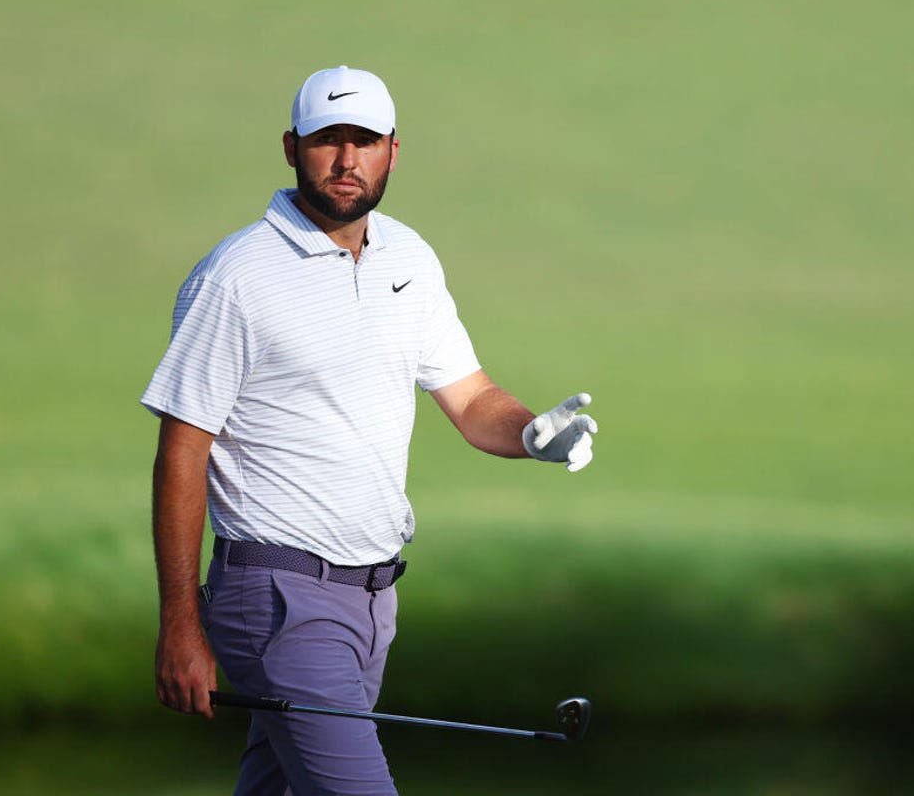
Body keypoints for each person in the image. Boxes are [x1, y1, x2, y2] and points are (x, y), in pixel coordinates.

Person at [140, 65, 597, 795]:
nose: (347, 160)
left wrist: (532, 433)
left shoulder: (408, 258)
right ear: (292, 148)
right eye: (328, 140)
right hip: (277, 598)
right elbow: (181, 454)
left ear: (393, 150)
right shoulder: (237, 275)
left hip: (373, 602)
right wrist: (180, 625)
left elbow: (472, 399)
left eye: (365, 141)